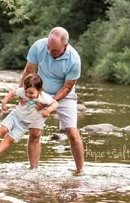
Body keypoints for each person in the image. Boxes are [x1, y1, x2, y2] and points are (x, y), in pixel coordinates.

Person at [21, 27, 84, 174]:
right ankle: (33, 171)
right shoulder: (38, 46)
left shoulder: (74, 60)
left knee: (72, 133)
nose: (50, 52)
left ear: (65, 46)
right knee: (35, 133)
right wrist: (22, 94)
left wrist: (50, 102)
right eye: (49, 48)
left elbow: (67, 87)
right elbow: (29, 72)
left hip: (64, 95)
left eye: (54, 50)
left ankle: (80, 171)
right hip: (40, 92)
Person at [0, 74, 58, 163]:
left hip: (25, 124)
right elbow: (12, 93)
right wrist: (4, 102)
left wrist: (48, 111)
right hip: (15, 116)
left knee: (9, 139)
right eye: (26, 92)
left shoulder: (44, 98)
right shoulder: (22, 91)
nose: (28, 95)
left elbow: (55, 103)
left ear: (39, 90)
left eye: (31, 93)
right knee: (3, 130)